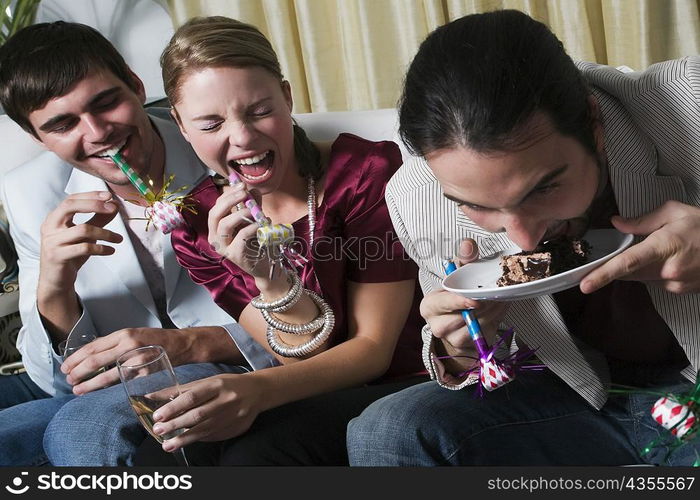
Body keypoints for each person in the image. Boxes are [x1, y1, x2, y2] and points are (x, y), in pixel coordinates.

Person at [346, 9, 700, 466]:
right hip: (579, 393)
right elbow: (473, 364)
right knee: (388, 429)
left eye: (545, 188)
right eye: (477, 205)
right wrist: (461, 345)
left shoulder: (689, 103)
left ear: (593, 125)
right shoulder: (419, 199)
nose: (525, 238)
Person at [132, 15, 426, 466]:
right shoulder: (196, 226)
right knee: (163, 457)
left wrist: (253, 390)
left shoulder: (364, 176)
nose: (243, 137)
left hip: (408, 378)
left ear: (287, 98)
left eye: (259, 110)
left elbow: (373, 352)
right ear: (180, 124)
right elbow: (298, 358)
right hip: (309, 383)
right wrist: (268, 280)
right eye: (210, 124)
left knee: (259, 455)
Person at [0, 21, 276, 466]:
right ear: (37, 138)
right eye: (63, 124)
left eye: (106, 102)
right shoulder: (31, 192)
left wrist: (195, 343)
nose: (97, 132)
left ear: (135, 83)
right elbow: (53, 381)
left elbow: (319, 308)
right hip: (109, 385)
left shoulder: (225, 145)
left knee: (83, 431)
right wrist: (54, 288)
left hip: (238, 365)